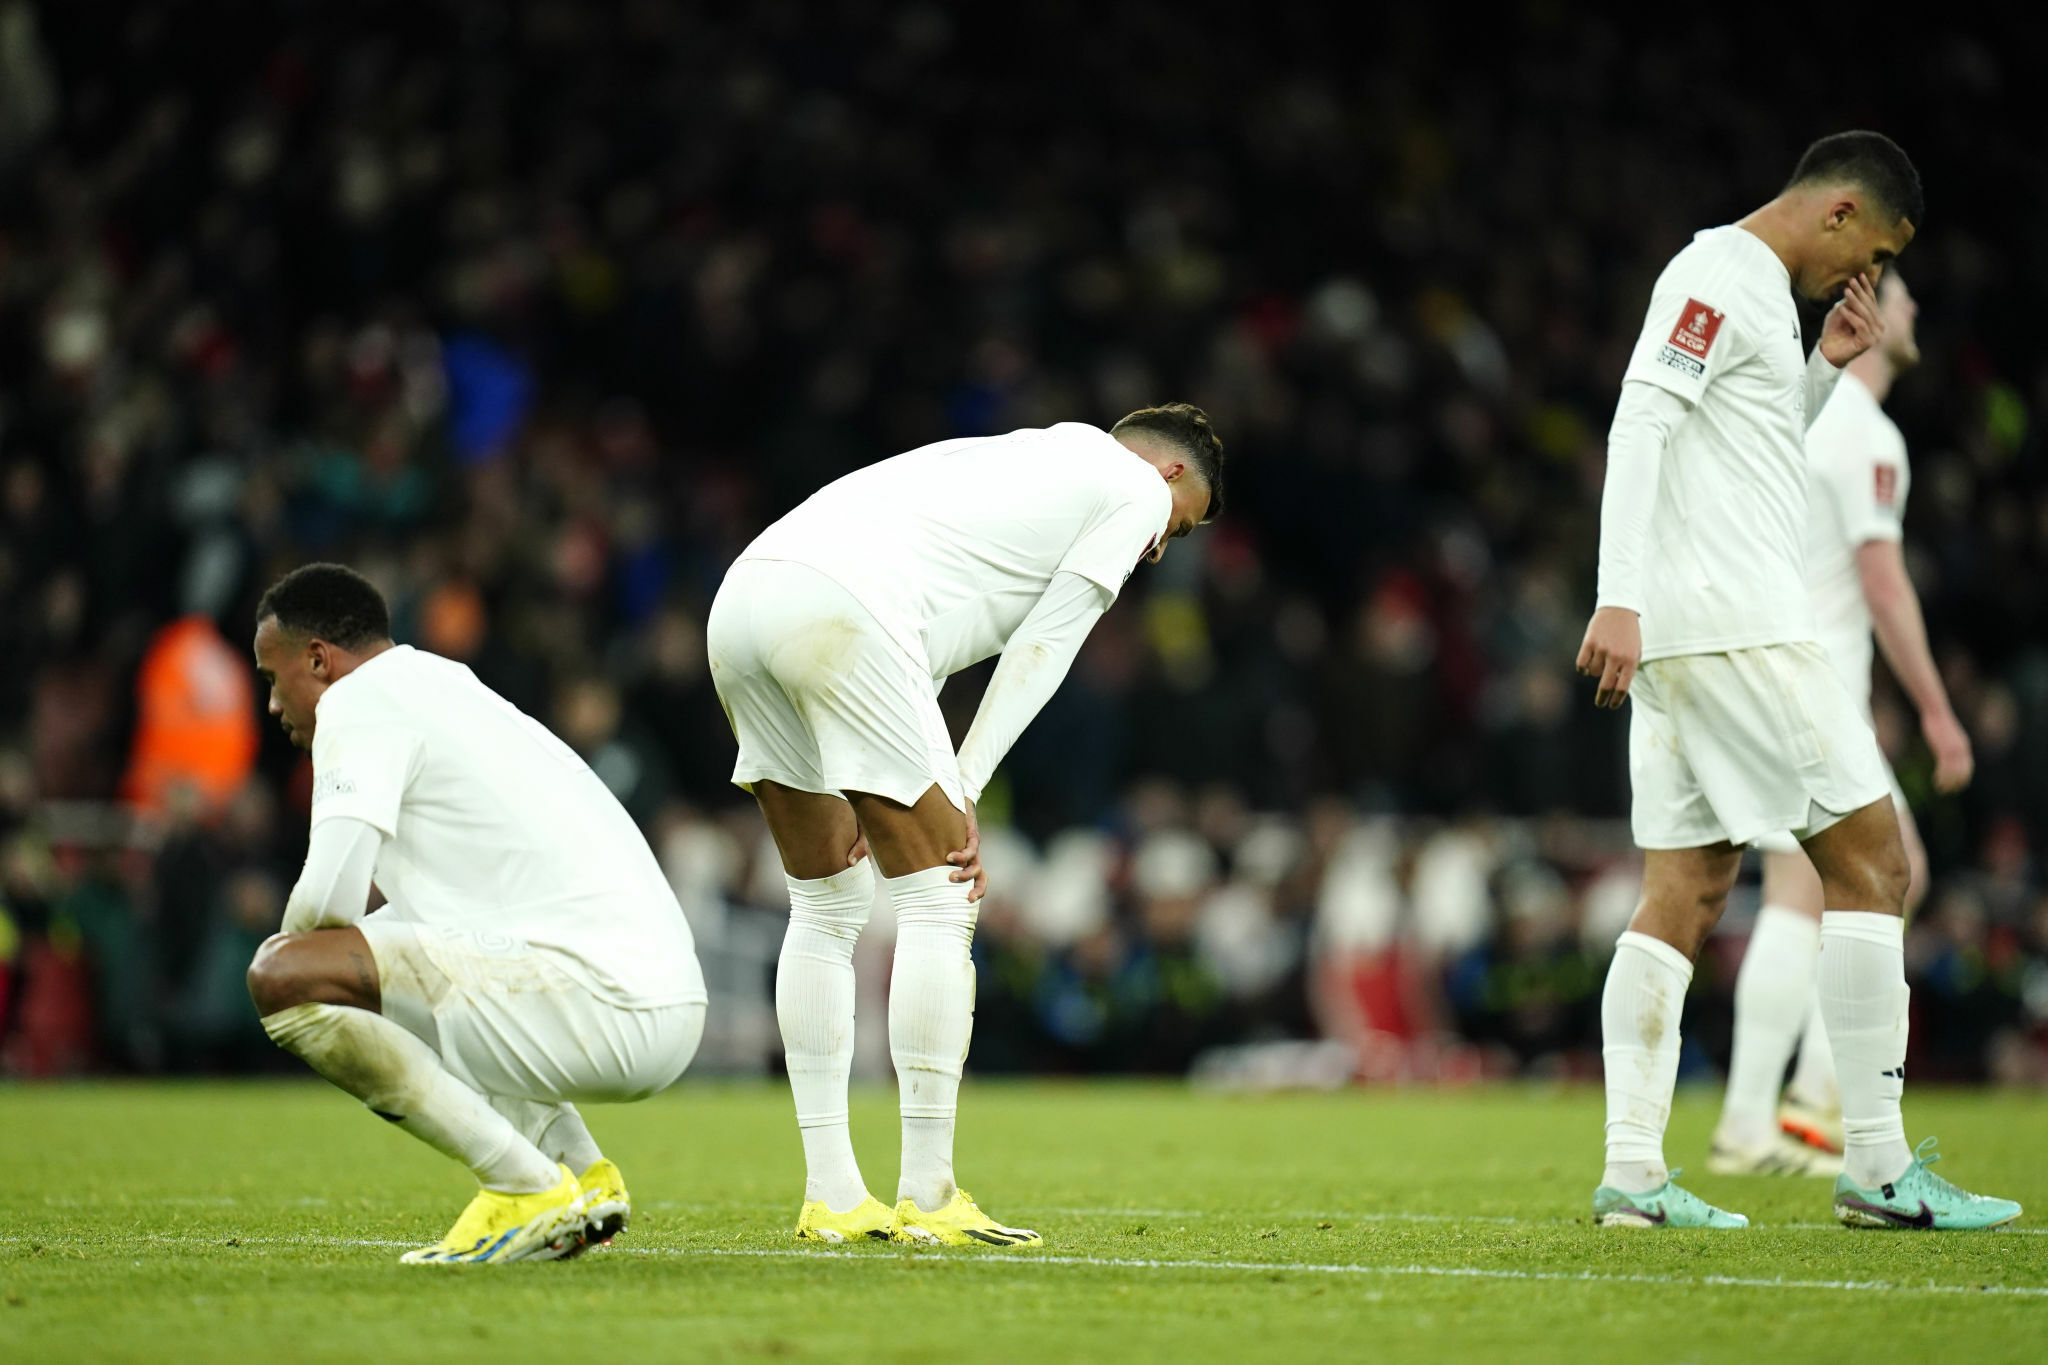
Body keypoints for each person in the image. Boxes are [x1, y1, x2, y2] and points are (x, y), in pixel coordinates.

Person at [1576, 131, 2018, 1229]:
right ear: (1833, 212)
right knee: (1873, 864)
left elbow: (1754, 455)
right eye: (1868, 247)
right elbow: (1642, 420)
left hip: (1693, 636)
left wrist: (1821, 367)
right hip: (1737, 628)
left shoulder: (1767, 304)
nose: (1863, 275)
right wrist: (1613, 593)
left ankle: (1631, 1174)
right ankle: (1872, 1164)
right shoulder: (1715, 276)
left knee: (1685, 890)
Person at [708, 404, 1222, 1246]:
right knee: (944, 895)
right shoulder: (1129, 488)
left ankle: (832, 1193)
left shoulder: (1024, 462)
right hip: (845, 604)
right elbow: (1046, 649)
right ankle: (928, 1191)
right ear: (1165, 474)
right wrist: (964, 784)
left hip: (745, 596)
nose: (1161, 546)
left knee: (828, 903)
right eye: (1180, 524)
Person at [244, 564, 707, 1264]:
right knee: (395, 961)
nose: (273, 704)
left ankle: (520, 1183)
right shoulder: (441, 682)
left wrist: (298, 956)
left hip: (607, 997)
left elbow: (325, 908)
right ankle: (580, 1175)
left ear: (318, 659)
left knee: (283, 976)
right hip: (657, 992)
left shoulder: (359, 701)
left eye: (273, 679)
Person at [1708, 270, 1974, 1178]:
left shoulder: (1805, 419)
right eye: (1903, 295)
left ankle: (1774, 1113)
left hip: (1780, 672)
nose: (1912, 312)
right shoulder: (1866, 434)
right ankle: (1793, 1110)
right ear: (1867, 309)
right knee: (1849, 882)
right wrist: (1939, 712)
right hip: (1812, 686)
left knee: (1827, 886)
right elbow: (1882, 580)